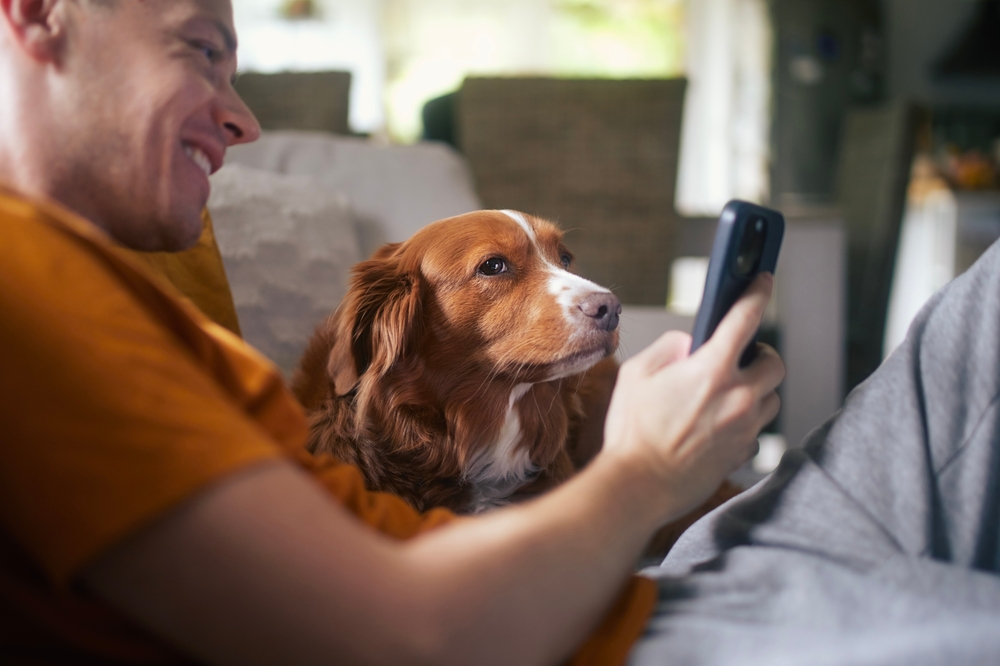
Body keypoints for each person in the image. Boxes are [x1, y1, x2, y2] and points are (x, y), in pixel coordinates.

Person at [1, 2, 996, 666]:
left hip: (629, 576)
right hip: (615, 626)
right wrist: (647, 466)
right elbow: (410, 630)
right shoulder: (25, 280)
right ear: (39, 12)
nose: (242, 118)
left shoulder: (106, 277)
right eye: (199, 49)